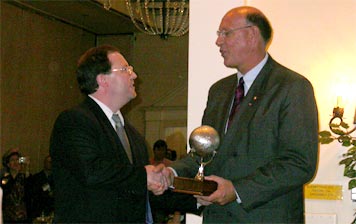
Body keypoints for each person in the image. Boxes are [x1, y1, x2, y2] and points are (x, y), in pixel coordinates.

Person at [164, 6, 319, 223]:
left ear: (252, 34)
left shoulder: (292, 87)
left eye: (225, 33)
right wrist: (172, 172)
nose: (218, 42)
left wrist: (237, 191)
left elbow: (299, 163)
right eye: (219, 35)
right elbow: (203, 154)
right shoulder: (218, 91)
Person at [50, 45, 168, 223]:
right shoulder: (74, 121)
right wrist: (144, 176)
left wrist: (198, 197)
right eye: (126, 69)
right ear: (103, 79)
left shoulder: (133, 135)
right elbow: (92, 171)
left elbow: (137, 189)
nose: (134, 75)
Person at [1, 148, 31, 223]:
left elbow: (29, 191)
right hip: (8, 217)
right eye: (12, 160)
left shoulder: (25, 177)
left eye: (17, 160)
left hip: (23, 218)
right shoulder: (4, 179)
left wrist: (27, 168)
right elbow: (6, 192)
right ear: (8, 164)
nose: (15, 162)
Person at [28, 155, 54, 220]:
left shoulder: (57, 179)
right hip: (39, 209)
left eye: (52, 162)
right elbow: (34, 193)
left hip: (52, 209)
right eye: (49, 162)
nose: (50, 164)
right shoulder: (36, 177)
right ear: (44, 163)